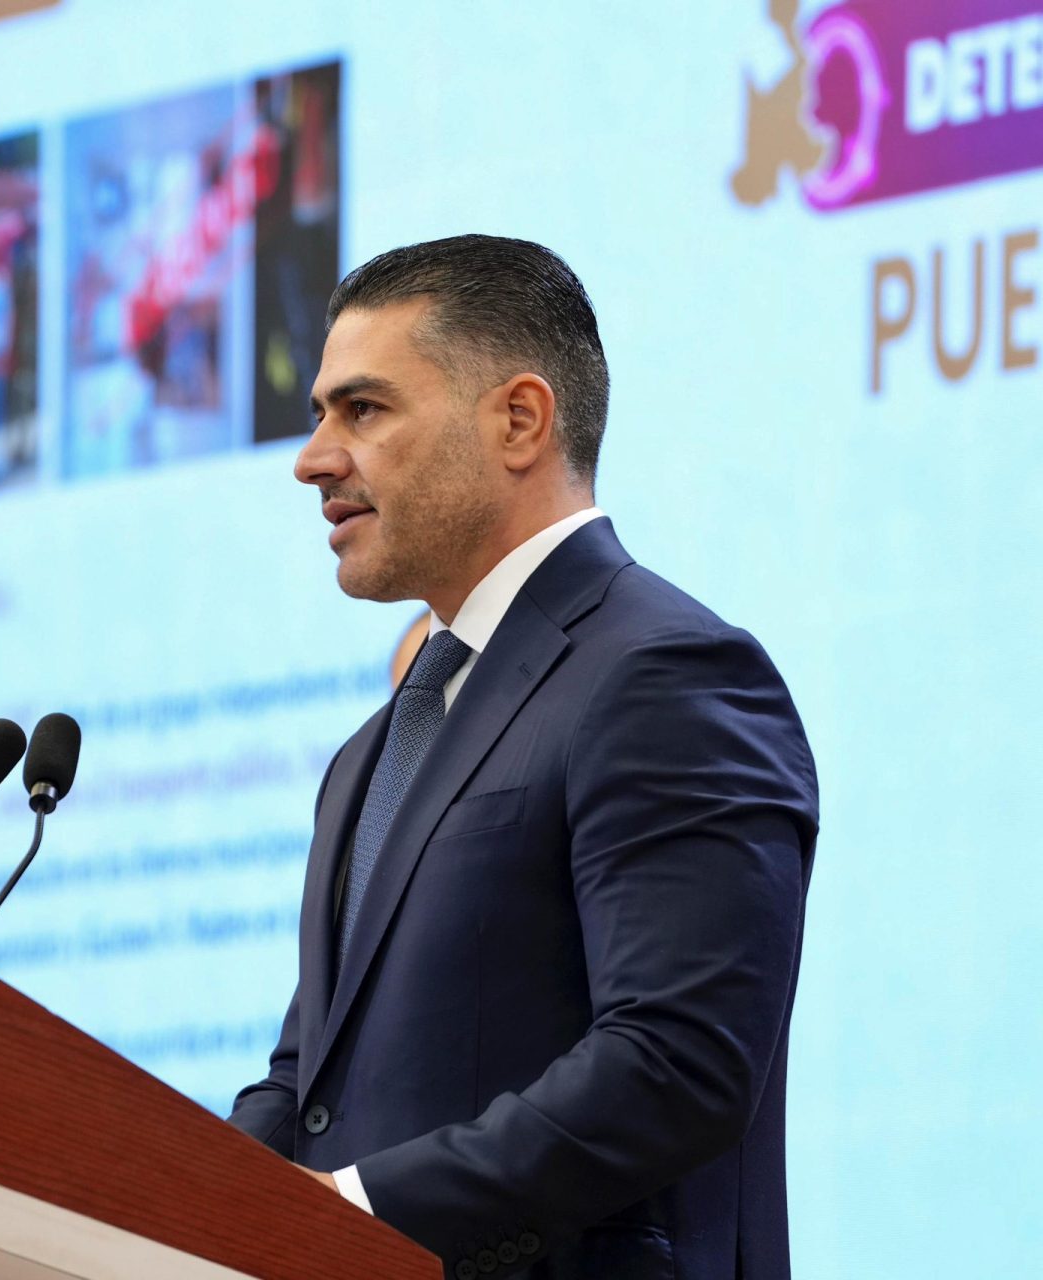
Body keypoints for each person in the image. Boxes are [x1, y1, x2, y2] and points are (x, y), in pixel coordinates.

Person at [228, 235, 819, 1280]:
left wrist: (357, 1211)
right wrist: (172, 1196)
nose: (313, 458)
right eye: (320, 413)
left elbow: (675, 1063)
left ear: (519, 421)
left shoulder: (665, 671)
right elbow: (306, 1085)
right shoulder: (376, 747)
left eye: (362, 410)